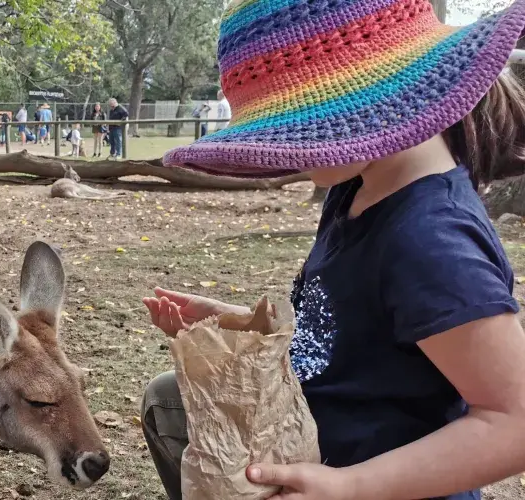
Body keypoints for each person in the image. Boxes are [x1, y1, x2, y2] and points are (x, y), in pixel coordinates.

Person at [142, 1, 525, 499]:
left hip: (382, 485)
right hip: (314, 443)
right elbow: (342, 338)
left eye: (295, 128)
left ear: (379, 98)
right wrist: (236, 323)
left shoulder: (431, 242)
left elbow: (512, 420)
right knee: (167, 399)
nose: (287, 151)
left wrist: (350, 486)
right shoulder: (356, 191)